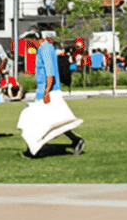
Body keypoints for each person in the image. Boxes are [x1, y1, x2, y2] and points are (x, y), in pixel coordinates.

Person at [19, 28, 85, 157]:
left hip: (48, 92)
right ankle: (75, 140)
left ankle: (33, 149)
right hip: (44, 91)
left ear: (34, 40)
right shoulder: (45, 48)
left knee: (35, 121)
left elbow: (50, 73)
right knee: (53, 121)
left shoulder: (45, 50)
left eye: (29, 41)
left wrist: (46, 92)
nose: (28, 44)